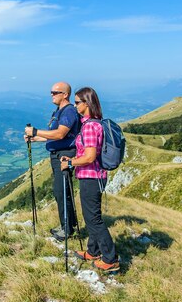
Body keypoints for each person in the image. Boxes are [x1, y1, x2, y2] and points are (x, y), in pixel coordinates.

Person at [60, 87, 120, 273]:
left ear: (87, 104)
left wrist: (70, 162)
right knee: (93, 216)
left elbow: (89, 157)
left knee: (93, 219)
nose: (75, 105)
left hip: (90, 177)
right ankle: (93, 251)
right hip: (95, 177)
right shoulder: (95, 123)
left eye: (77, 102)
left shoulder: (90, 127)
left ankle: (110, 259)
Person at [24, 82, 80, 241]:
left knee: (61, 191)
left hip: (64, 155)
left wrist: (35, 131)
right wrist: (34, 138)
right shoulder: (59, 111)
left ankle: (67, 229)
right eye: (51, 92)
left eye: (55, 92)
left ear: (65, 94)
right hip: (58, 154)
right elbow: (52, 135)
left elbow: (60, 134)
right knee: (61, 191)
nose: (51, 94)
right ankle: (67, 225)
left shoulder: (68, 111)